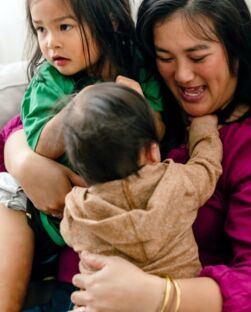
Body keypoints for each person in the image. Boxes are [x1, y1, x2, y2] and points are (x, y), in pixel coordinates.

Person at [4, 0, 251, 312]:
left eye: (198, 55)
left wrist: (160, 295)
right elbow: (22, 129)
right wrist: (24, 160)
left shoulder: (250, 142)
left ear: (235, 48)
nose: (184, 75)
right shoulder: (146, 93)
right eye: (165, 57)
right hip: (70, 292)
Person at [0, 0, 164, 310]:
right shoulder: (49, 79)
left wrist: (133, 105)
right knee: (3, 196)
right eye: (40, 28)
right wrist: (81, 104)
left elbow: (160, 132)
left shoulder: (137, 66)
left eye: (64, 27)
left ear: (110, 22)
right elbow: (40, 142)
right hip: (37, 214)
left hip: (96, 217)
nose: (50, 42)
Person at [60, 82, 222, 281]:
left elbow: (68, 234)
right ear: (153, 152)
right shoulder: (178, 183)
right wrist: (202, 124)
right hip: (176, 300)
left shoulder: (76, 211)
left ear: (80, 167)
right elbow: (207, 165)